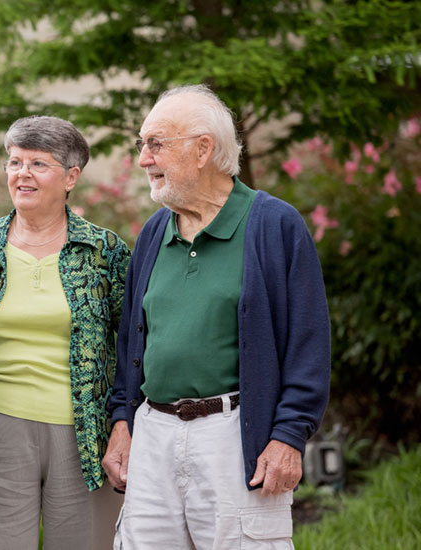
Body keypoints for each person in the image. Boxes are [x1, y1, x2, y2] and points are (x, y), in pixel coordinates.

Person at [103, 84, 331, 549]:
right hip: (154, 436)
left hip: (234, 436)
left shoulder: (273, 225)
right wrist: (122, 421)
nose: (144, 158)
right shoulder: (153, 233)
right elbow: (131, 342)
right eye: (142, 144)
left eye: (156, 143)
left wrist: (289, 434)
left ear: (204, 148)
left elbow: (308, 343)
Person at [0, 115, 132, 550]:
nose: (22, 174)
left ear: (71, 177)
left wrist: (124, 422)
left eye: (38, 164)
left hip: (85, 437)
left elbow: (137, 343)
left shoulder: (103, 251)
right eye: (14, 162)